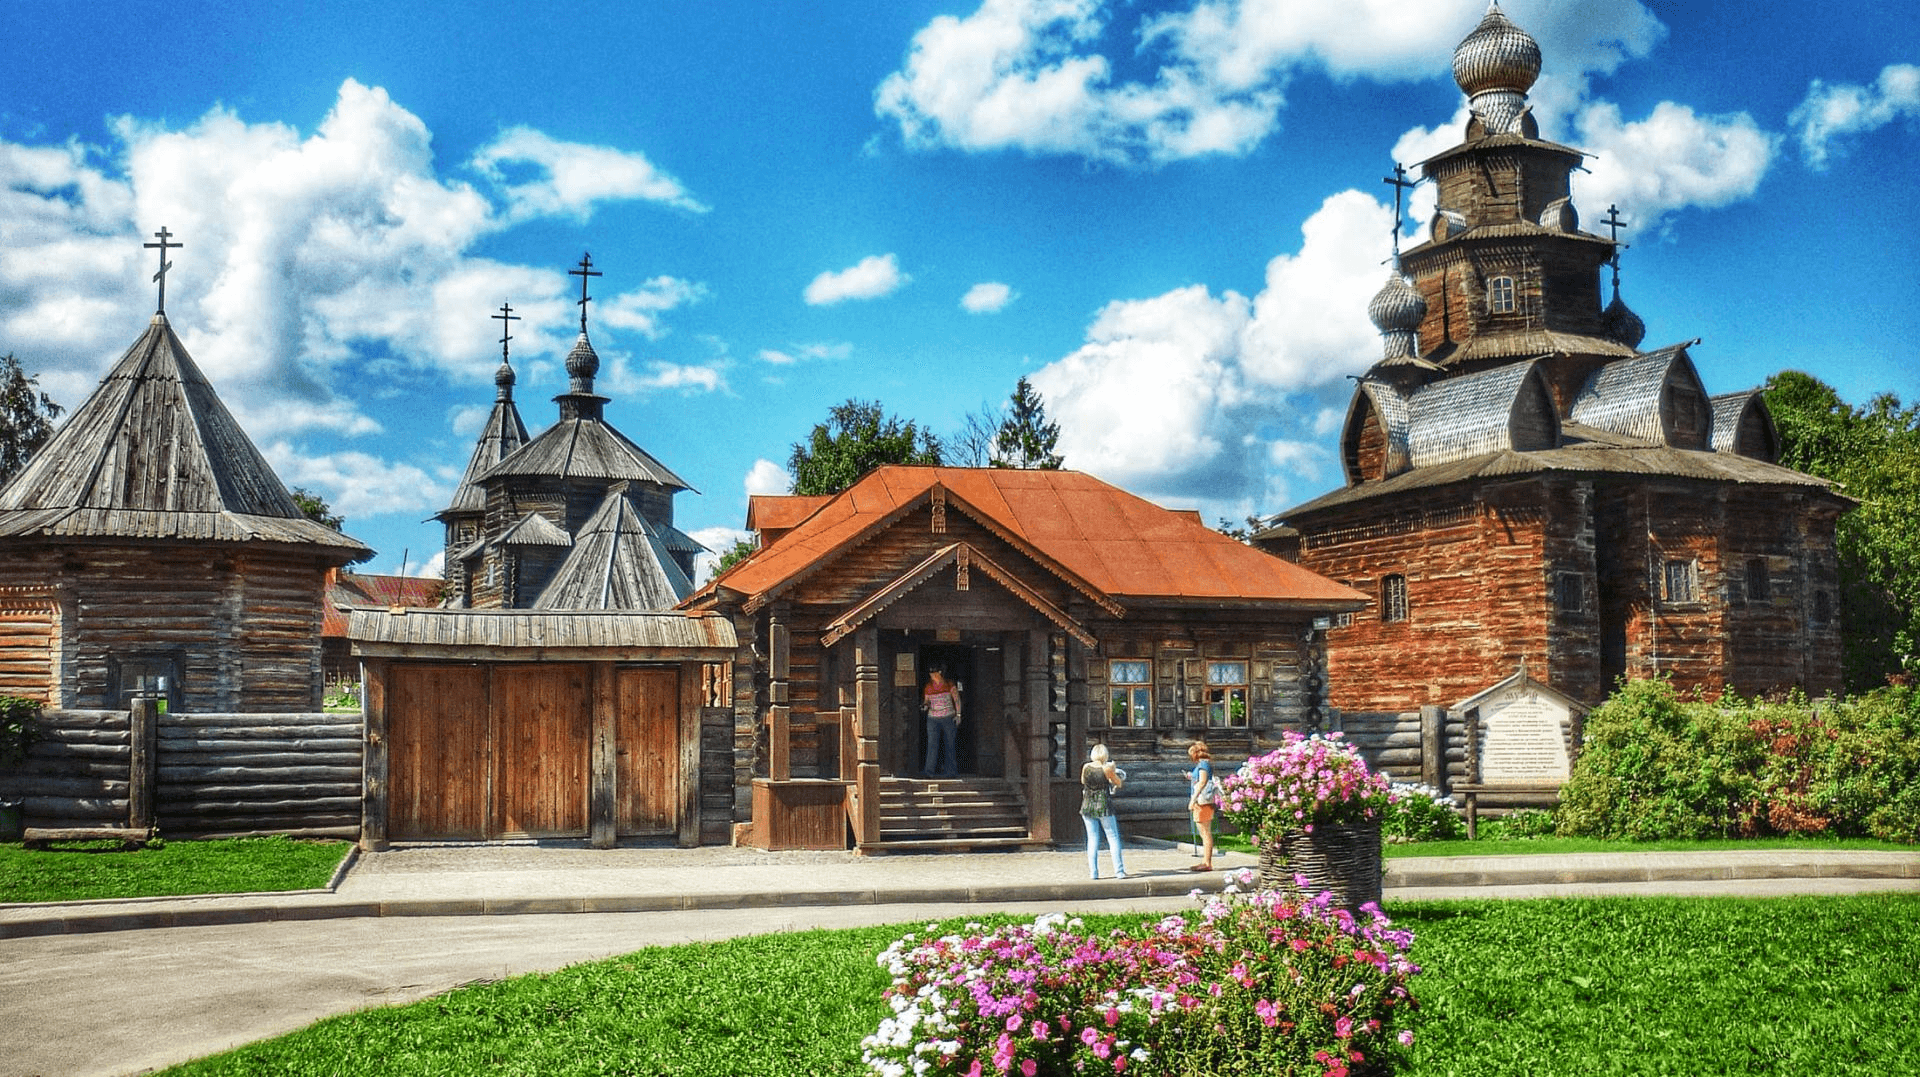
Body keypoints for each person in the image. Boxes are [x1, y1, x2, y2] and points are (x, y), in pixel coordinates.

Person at [1080, 743, 1127, 879]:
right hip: (1104, 806)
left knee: (1092, 838)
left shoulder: (1086, 767)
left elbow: (1083, 781)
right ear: (1105, 755)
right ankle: (1119, 871)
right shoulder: (1106, 768)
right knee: (1112, 837)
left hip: (1087, 805)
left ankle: (1093, 872)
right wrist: (1113, 769)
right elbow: (1118, 783)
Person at [922, 666, 962, 777]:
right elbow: (927, 702)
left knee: (950, 744)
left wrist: (958, 714)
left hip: (948, 717)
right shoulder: (928, 687)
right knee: (932, 745)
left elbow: (957, 699)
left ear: (940, 673)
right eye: (931, 675)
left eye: (935, 674)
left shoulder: (949, 685)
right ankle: (929, 772)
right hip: (933, 719)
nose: (933, 676)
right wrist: (925, 706)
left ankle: (951, 772)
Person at [1187, 740, 1219, 872]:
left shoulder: (1203, 765)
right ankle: (1205, 861)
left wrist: (1192, 800)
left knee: (1205, 833)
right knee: (1204, 832)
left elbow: (1202, 782)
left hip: (1202, 802)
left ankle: (1207, 863)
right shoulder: (1205, 764)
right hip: (1205, 801)